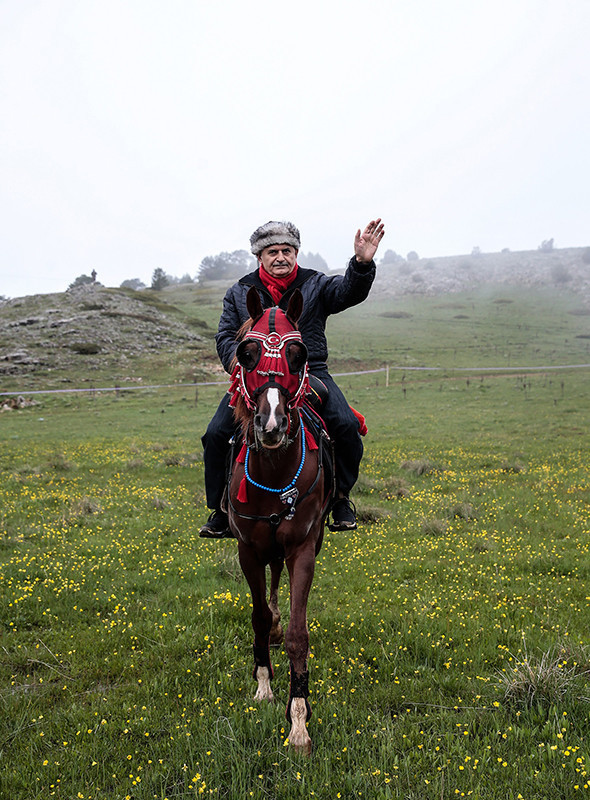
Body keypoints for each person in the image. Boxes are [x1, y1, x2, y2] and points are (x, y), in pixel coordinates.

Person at [199, 218, 385, 538]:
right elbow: (226, 337)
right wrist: (244, 369)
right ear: (260, 257)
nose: (281, 257)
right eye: (273, 252)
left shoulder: (316, 284)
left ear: (296, 253)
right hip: (255, 380)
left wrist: (361, 263)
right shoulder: (240, 291)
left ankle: (341, 499)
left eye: (287, 250)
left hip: (308, 374)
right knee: (215, 434)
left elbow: (348, 292)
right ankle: (219, 509)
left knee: (346, 425)